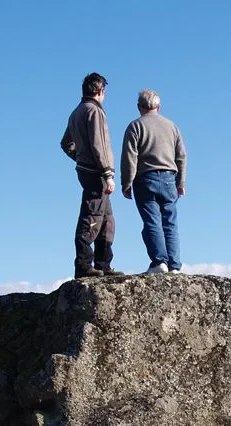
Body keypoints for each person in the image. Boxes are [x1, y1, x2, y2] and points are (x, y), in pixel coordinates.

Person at [61, 72, 124, 279]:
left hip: (87, 170)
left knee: (107, 219)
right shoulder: (94, 112)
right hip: (96, 173)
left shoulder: (76, 112)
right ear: (100, 91)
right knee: (93, 217)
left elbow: (66, 143)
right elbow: (100, 145)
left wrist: (79, 157)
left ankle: (103, 264)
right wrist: (107, 174)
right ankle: (84, 265)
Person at [120, 89, 187, 274]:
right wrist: (181, 182)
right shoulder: (172, 126)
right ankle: (174, 266)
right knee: (170, 222)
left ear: (139, 106)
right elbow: (181, 156)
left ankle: (159, 262)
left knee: (152, 221)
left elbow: (129, 158)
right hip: (169, 178)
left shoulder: (135, 127)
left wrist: (126, 183)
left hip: (145, 178)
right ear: (159, 106)